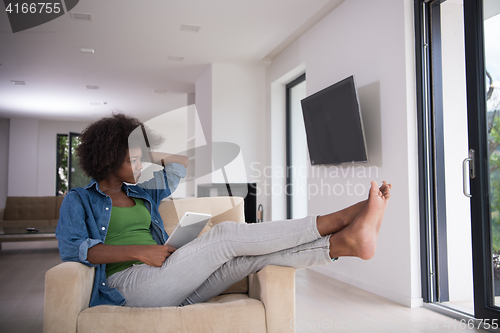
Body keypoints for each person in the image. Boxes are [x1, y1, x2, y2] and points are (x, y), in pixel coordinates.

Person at [56, 113, 391, 308]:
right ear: (107, 159)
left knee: (247, 261)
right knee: (225, 236)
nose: (141, 163)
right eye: (132, 158)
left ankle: (343, 245)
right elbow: (73, 249)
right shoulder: (79, 200)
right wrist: (140, 251)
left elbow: (181, 164)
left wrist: (147, 153)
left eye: (140, 155)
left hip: (170, 282)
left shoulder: (144, 193)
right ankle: (339, 218)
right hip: (127, 286)